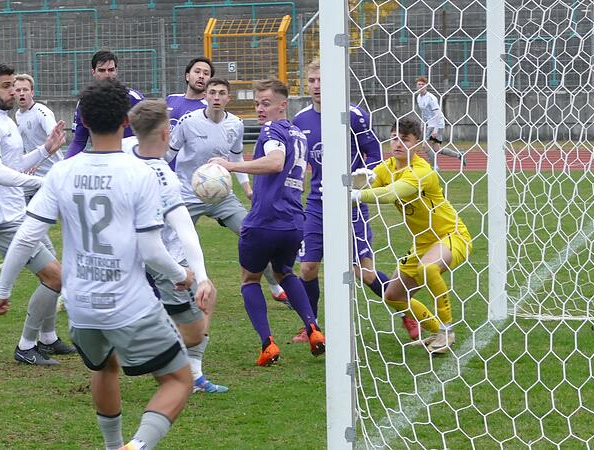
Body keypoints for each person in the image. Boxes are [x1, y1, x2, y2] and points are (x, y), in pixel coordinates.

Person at [0, 79, 195, 450]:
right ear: (125, 122)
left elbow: (26, 236)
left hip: (81, 306)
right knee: (179, 380)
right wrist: (182, 275)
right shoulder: (140, 173)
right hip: (129, 304)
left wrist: (2, 291)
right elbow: (151, 249)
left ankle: (111, 444)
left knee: (104, 367)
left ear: (81, 122)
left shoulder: (61, 173)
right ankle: (136, 446)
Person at [292, 57, 414, 342]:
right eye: (312, 80)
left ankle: (407, 313)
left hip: (351, 204)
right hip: (318, 204)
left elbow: (374, 154)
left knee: (364, 272)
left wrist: (361, 177)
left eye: (322, 80)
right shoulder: (301, 120)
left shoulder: (354, 115)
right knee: (308, 268)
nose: (317, 86)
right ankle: (312, 327)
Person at [210, 79, 325, 366]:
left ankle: (267, 344)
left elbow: (275, 162)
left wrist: (231, 165)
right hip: (293, 221)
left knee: (249, 279)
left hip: (264, 221)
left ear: (283, 105)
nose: (260, 109)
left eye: (266, 103)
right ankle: (313, 329)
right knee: (286, 272)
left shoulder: (272, 130)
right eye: (257, 103)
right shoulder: (298, 133)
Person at [0, 62, 75, 365]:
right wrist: (43, 181)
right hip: (2, 219)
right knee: (56, 278)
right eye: (6, 86)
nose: (13, 90)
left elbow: (12, 165)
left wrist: (46, 150)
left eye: (14, 85)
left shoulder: (3, 119)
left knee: (55, 273)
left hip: (17, 211)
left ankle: (48, 339)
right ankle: (26, 347)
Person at [124, 99, 228, 394]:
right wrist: (201, 275)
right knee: (194, 327)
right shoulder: (163, 176)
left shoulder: (122, 150)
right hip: (165, 258)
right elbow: (185, 229)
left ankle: (190, 372)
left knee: (163, 313)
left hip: (127, 255)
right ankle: (159, 357)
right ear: (167, 134)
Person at [351, 117, 473, 354]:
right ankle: (437, 330)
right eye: (394, 138)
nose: (397, 144)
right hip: (423, 242)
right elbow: (369, 182)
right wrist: (356, 182)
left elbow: (388, 194)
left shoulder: (422, 171)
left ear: (417, 145)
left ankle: (447, 331)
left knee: (428, 269)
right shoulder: (387, 168)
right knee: (394, 296)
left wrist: (356, 196)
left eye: (405, 140)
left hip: (452, 235)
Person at [168, 77, 288, 304]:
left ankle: (275, 285)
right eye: (212, 92)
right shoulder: (187, 121)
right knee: (177, 245)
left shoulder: (236, 124)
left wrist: (246, 187)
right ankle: (183, 297)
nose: (216, 97)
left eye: (221, 93)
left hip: (222, 196)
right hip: (187, 195)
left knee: (253, 236)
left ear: (228, 98)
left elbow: (236, 157)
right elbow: (168, 154)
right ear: (205, 97)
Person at [0, 73, 61, 274]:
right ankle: (17, 256)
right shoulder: (17, 116)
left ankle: (29, 261)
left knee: (30, 222)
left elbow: (54, 139)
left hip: (50, 180)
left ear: (33, 92)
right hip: (32, 180)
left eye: (25, 90)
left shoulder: (41, 112)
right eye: (18, 89)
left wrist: (39, 162)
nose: (21, 93)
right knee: (21, 219)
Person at [65, 50, 144, 158]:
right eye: (102, 70)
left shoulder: (135, 99)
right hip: (100, 161)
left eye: (111, 70)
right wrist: (65, 164)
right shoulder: (85, 102)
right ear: (93, 72)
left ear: (116, 71)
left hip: (131, 164)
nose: (107, 74)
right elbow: (79, 141)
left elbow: (149, 135)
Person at [415, 76, 466, 168]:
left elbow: (438, 113)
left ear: (426, 86)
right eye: (419, 84)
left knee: (425, 146)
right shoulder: (418, 97)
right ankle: (459, 155)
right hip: (430, 123)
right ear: (416, 86)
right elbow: (424, 112)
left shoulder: (431, 98)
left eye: (423, 84)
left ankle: (435, 167)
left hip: (436, 124)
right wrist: (422, 123)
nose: (421, 86)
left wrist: (435, 129)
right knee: (436, 149)